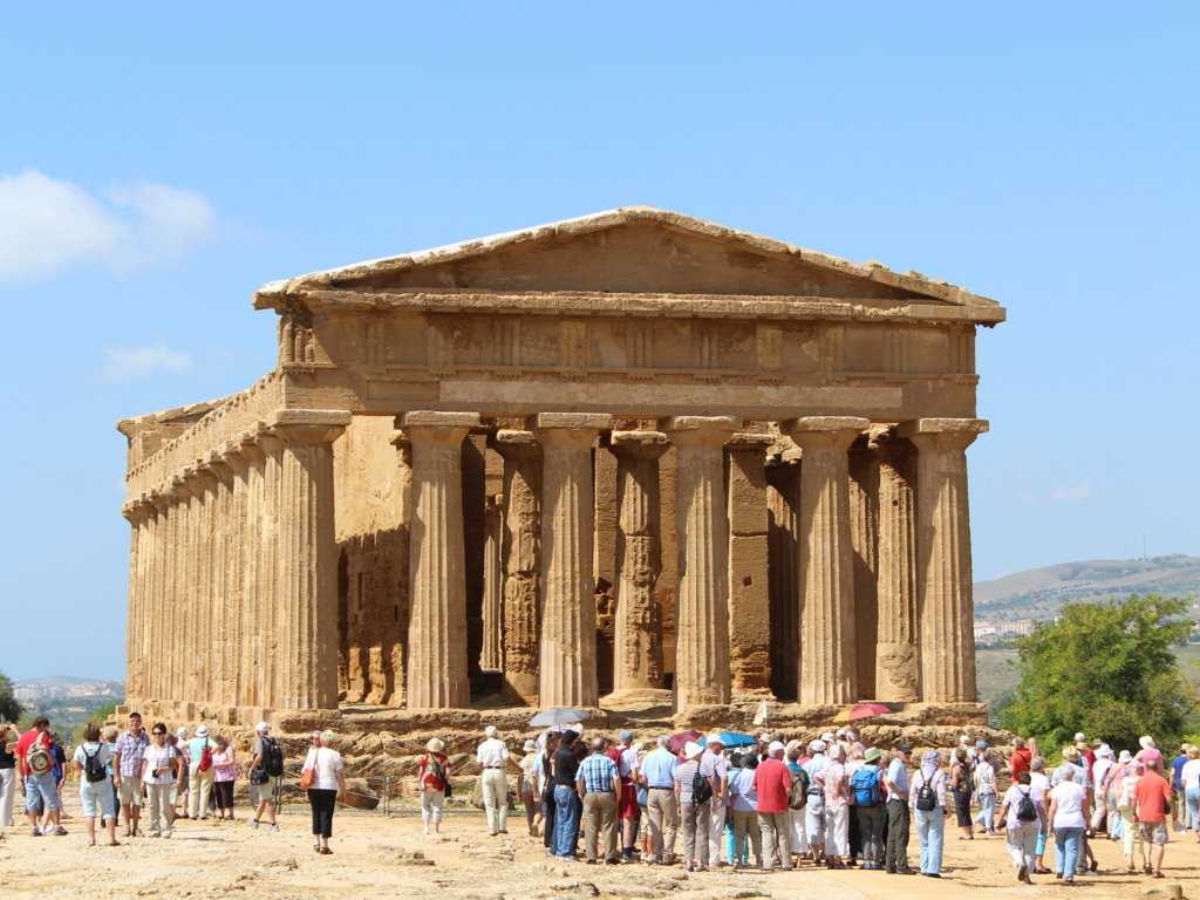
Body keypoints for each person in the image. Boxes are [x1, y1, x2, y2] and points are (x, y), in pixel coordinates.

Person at [16, 716, 63, 836]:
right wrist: (52, 762)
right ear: (41, 725)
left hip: (29, 774)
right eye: (45, 726)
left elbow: (19, 759)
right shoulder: (43, 736)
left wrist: (21, 775)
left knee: (31, 801)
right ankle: (57, 826)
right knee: (51, 798)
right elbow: (47, 754)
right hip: (44, 773)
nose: (46, 729)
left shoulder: (23, 738)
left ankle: (34, 828)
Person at [577, 736, 621, 865]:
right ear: (604, 748)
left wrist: (581, 794)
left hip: (590, 794)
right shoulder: (609, 761)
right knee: (609, 826)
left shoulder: (585, 761)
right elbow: (616, 779)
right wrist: (618, 795)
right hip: (607, 794)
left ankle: (591, 856)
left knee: (591, 826)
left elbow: (579, 779)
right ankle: (610, 855)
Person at [301, 730, 345, 855]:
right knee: (326, 815)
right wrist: (343, 789)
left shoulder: (313, 753)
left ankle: (316, 842)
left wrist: (305, 789)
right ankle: (325, 845)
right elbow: (339, 775)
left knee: (316, 813)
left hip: (313, 787)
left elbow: (306, 771)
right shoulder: (335, 754)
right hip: (329, 787)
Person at [73, 722, 117, 846]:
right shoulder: (104, 747)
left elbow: (76, 765)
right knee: (108, 809)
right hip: (103, 780)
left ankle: (91, 839)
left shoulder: (80, 748)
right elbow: (111, 759)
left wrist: (85, 769)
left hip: (87, 781)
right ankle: (111, 838)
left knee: (89, 811)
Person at [1046, 764, 1089, 884]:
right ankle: (1068, 873)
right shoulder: (1079, 788)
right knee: (1072, 848)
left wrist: (1050, 822)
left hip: (1060, 820)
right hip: (1076, 820)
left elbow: (1053, 808)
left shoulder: (1057, 789)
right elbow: (1084, 808)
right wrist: (1088, 821)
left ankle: (1060, 868)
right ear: (1073, 775)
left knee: (1059, 844)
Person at [674, 741, 713, 872]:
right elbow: (710, 783)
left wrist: (678, 803)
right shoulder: (703, 767)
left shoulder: (680, 768)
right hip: (701, 801)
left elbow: (677, 788)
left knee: (687, 831)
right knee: (702, 830)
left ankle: (689, 861)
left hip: (685, 801)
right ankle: (701, 862)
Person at [999, 770, 1044, 883]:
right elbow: (1041, 809)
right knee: (1030, 850)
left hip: (1015, 823)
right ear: (1030, 781)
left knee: (1013, 846)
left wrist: (999, 821)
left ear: (1018, 780)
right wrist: (1045, 823)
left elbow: (1004, 807)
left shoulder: (1012, 790)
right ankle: (1026, 875)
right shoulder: (1035, 790)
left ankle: (1020, 862)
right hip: (1033, 823)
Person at [755, 740, 793, 871]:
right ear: (778, 753)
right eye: (782, 753)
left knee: (767, 833)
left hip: (762, 806)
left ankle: (768, 863)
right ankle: (786, 862)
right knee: (782, 834)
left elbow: (753, 786)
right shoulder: (782, 767)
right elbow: (788, 789)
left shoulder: (760, 766)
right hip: (779, 805)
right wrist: (786, 800)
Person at [642, 735, 679, 865]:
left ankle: (657, 853)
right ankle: (667, 854)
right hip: (666, 791)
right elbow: (676, 779)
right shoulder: (672, 758)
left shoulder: (648, 756)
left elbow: (643, 778)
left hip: (652, 790)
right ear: (668, 744)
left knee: (655, 825)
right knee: (671, 824)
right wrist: (677, 798)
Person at [910, 749, 947, 878]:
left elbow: (913, 792)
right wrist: (944, 807)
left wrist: (911, 807)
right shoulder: (939, 773)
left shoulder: (917, 773)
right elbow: (941, 792)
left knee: (923, 840)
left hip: (919, 809)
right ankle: (933, 869)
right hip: (935, 808)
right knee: (935, 839)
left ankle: (924, 867)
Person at [1134, 757, 1173, 878]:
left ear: (1146, 768)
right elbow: (1169, 799)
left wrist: (1134, 814)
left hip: (1143, 815)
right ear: (1157, 768)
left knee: (1147, 840)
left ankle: (1147, 864)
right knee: (1159, 843)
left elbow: (1134, 800)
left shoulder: (1140, 781)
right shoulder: (1161, 781)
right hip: (1158, 815)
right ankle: (1157, 869)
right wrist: (1173, 811)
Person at [113, 711, 149, 837]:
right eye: (133, 721)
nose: (135, 724)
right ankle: (126, 826)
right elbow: (116, 758)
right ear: (129, 723)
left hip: (139, 775)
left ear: (141, 722)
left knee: (138, 802)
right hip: (125, 774)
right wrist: (116, 776)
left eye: (137, 721)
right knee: (125, 801)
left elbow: (147, 758)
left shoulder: (145, 738)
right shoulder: (122, 737)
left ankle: (136, 827)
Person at [140, 722, 177, 838]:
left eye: (159, 733)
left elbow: (173, 765)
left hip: (164, 780)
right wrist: (142, 780)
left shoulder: (169, 749)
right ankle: (154, 828)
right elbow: (145, 765)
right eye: (154, 733)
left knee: (164, 805)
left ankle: (166, 828)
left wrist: (164, 769)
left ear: (164, 734)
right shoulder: (149, 748)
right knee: (152, 805)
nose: (157, 736)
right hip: (150, 779)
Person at [852, 747, 886, 869]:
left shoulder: (859, 770)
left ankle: (866, 861)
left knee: (865, 834)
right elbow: (884, 786)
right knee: (876, 834)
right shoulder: (879, 771)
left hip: (861, 805)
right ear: (876, 759)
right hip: (877, 805)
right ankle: (876, 861)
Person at [728, 751, 762, 869]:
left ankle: (739, 860)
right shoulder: (758, 774)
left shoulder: (740, 775)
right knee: (756, 835)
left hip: (740, 807)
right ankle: (758, 859)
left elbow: (734, 793)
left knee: (739, 835)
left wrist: (731, 810)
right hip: (756, 807)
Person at [552, 729, 582, 859]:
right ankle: (566, 852)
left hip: (558, 788)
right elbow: (577, 774)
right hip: (567, 789)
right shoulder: (569, 755)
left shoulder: (558, 752)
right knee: (570, 821)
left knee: (561, 820)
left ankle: (559, 849)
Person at [883, 743, 913, 874]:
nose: (908, 756)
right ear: (898, 753)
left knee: (893, 834)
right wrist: (900, 793)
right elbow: (889, 781)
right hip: (898, 802)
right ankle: (901, 865)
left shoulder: (897, 765)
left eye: (909, 753)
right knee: (901, 834)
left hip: (894, 802)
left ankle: (890, 864)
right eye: (906, 753)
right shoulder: (897, 765)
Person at [611, 730, 641, 860]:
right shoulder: (631, 753)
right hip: (628, 788)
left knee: (614, 819)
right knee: (628, 819)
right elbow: (634, 776)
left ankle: (612, 848)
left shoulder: (613, 751)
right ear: (630, 741)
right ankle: (626, 850)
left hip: (614, 787)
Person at [701, 734, 729, 867]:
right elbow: (723, 778)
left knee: (703, 827)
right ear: (714, 744)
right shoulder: (717, 759)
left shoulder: (700, 757)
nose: (721, 747)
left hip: (701, 797)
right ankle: (714, 859)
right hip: (715, 795)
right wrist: (722, 795)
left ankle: (703, 857)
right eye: (720, 745)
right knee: (716, 828)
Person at [477, 724, 509, 837]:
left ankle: (492, 828)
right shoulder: (501, 744)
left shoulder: (482, 746)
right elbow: (506, 758)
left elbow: (479, 763)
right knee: (502, 800)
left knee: (489, 802)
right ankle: (502, 827)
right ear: (496, 734)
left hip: (487, 771)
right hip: (499, 771)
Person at [820, 742, 850, 868]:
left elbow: (817, 777)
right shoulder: (839, 767)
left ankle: (830, 858)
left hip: (828, 802)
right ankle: (838, 858)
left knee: (830, 831)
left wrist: (826, 788)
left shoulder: (827, 767)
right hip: (839, 802)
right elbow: (841, 778)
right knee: (840, 831)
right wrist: (840, 791)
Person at [249, 721, 281, 831]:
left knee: (267, 799)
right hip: (272, 772)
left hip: (264, 773)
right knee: (263, 798)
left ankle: (273, 824)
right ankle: (255, 821)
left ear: (258, 732)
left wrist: (252, 768)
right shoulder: (273, 740)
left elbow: (260, 757)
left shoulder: (261, 741)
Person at [802, 739, 829, 864]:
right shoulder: (829, 763)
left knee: (813, 826)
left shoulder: (807, 764)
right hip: (828, 795)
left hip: (812, 796)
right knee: (827, 826)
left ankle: (815, 854)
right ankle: (826, 852)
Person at [1118, 760, 1147, 873]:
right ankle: (1145, 860)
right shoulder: (1142, 780)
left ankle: (1130, 860)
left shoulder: (1125, 780)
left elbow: (1119, 794)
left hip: (1126, 807)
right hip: (1141, 806)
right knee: (1142, 834)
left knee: (1128, 832)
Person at [417, 737, 449, 835]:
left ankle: (426, 828)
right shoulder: (444, 758)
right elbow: (448, 773)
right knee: (438, 807)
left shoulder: (424, 758)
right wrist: (445, 782)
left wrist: (419, 782)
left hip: (427, 784)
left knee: (425, 806)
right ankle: (436, 829)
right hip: (439, 785)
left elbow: (421, 771)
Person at [784, 740, 809, 864]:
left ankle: (788, 854)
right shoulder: (802, 771)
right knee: (800, 827)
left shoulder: (785, 770)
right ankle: (800, 855)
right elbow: (807, 785)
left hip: (787, 802)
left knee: (787, 828)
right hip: (801, 803)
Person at [1029, 756, 1053, 874]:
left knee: (1029, 835)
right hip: (1039, 808)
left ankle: (1030, 862)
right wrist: (1047, 812)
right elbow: (1044, 798)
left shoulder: (1026, 777)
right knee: (1041, 835)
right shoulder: (1043, 779)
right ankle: (1038, 863)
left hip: (1027, 808)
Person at [187, 724, 214, 821]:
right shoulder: (208, 741)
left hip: (194, 764)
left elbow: (182, 745)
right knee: (205, 790)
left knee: (193, 790)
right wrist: (209, 754)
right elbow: (217, 747)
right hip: (205, 764)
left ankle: (192, 813)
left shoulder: (192, 741)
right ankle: (202, 813)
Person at [519, 738, 541, 837]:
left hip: (525, 785)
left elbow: (520, 776)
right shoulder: (539, 758)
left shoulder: (523, 761)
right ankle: (536, 823)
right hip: (536, 785)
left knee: (529, 810)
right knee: (538, 808)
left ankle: (530, 830)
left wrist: (518, 791)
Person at [950, 747, 973, 840]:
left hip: (960, 791)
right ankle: (970, 832)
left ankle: (966, 833)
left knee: (961, 812)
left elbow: (954, 783)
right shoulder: (967, 765)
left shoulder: (957, 768)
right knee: (967, 811)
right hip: (967, 790)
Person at [211, 736, 237, 820]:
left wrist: (220, 765)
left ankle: (230, 813)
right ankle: (221, 813)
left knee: (227, 795)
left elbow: (232, 761)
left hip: (227, 777)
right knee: (218, 795)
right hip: (217, 777)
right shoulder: (214, 752)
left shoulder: (228, 750)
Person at [973, 749, 998, 835]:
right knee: (989, 810)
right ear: (990, 758)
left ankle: (987, 827)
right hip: (988, 789)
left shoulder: (979, 766)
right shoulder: (990, 767)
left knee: (986, 809)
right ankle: (987, 828)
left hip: (980, 789)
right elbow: (992, 780)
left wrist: (976, 790)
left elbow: (975, 779)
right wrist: (996, 792)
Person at [1181, 745, 1200, 838]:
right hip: (1198, 787)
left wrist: (1186, 788)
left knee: (1194, 811)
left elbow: (1183, 781)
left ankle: (1197, 834)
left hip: (1189, 789)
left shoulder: (1186, 765)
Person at [0, 723, 17, 829]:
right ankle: (4, 821)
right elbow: (23, 741)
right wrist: (15, 730)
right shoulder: (6, 746)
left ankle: (7, 819)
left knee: (1, 796)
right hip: (7, 771)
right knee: (7, 796)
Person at [172, 727, 190, 819]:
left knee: (174, 792)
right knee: (185, 791)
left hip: (174, 770)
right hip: (184, 768)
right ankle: (184, 810)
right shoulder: (185, 744)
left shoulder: (174, 744)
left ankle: (173, 810)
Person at [1171, 743, 1190, 832]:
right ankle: (1188, 822)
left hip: (1179, 783)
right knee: (1188, 803)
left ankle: (1182, 821)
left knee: (1181, 802)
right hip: (1190, 783)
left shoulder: (1176, 760)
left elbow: (1172, 773)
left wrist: (1171, 784)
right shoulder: (1190, 760)